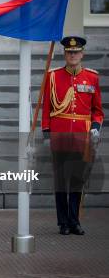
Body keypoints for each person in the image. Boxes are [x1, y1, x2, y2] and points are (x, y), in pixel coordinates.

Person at [42, 36, 104, 236]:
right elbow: (47, 109)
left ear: (82, 54)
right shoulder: (52, 76)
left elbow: (97, 110)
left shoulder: (92, 77)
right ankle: (63, 223)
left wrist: (95, 126)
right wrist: (46, 134)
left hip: (81, 137)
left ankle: (74, 221)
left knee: (77, 181)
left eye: (76, 52)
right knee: (61, 181)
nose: (73, 55)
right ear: (64, 54)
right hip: (59, 135)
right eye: (69, 52)